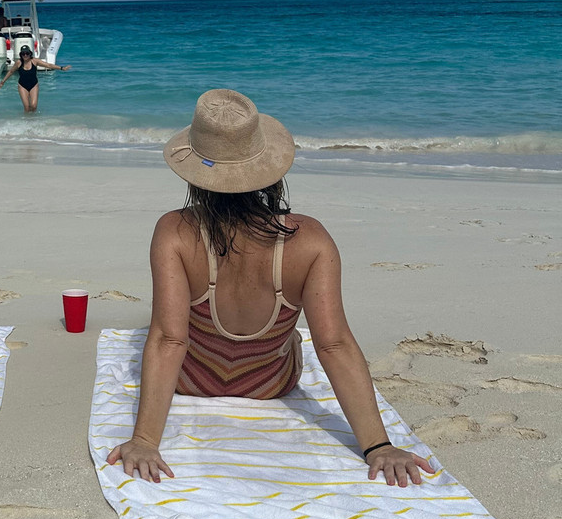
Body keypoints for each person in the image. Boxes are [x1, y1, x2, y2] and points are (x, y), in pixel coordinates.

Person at [107, 89, 434, 487]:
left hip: (190, 381)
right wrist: (378, 446)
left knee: (166, 326)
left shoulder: (174, 231)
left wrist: (144, 440)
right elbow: (334, 345)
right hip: (270, 385)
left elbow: (169, 339)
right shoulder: (310, 240)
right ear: (270, 171)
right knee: (295, 335)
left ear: (194, 175)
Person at [0, 45, 71, 112]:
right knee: (27, 107)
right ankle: (27, 122)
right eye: (23, 54)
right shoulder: (18, 62)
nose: (25, 55)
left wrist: (61, 68)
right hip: (22, 86)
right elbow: (11, 71)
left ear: (30, 53)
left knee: (34, 106)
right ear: (21, 55)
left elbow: (48, 65)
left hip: (34, 85)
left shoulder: (35, 61)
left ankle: (34, 121)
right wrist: (2, 82)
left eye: (27, 53)